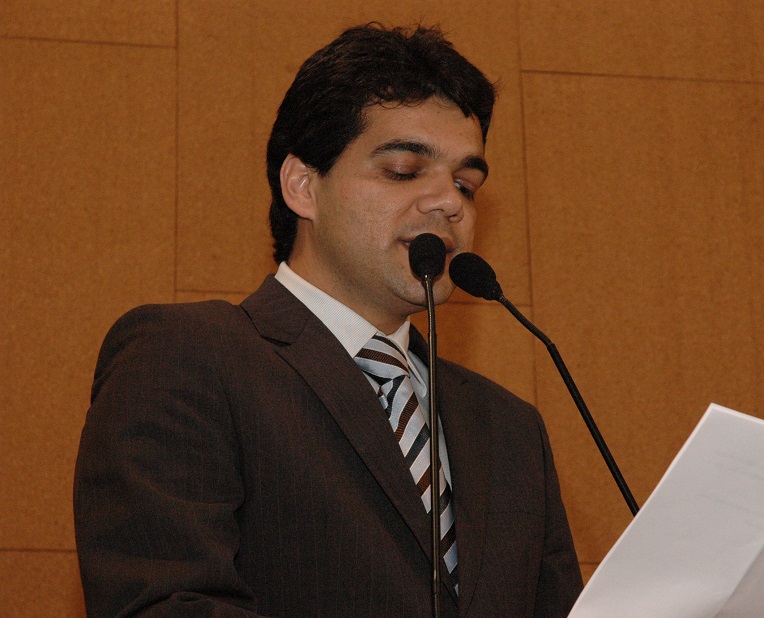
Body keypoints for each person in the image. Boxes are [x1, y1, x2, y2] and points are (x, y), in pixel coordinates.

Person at [74, 23, 583, 617]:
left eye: (466, 185)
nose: (450, 203)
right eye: (403, 170)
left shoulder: (511, 431)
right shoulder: (187, 356)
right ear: (303, 186)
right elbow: (162, 604)